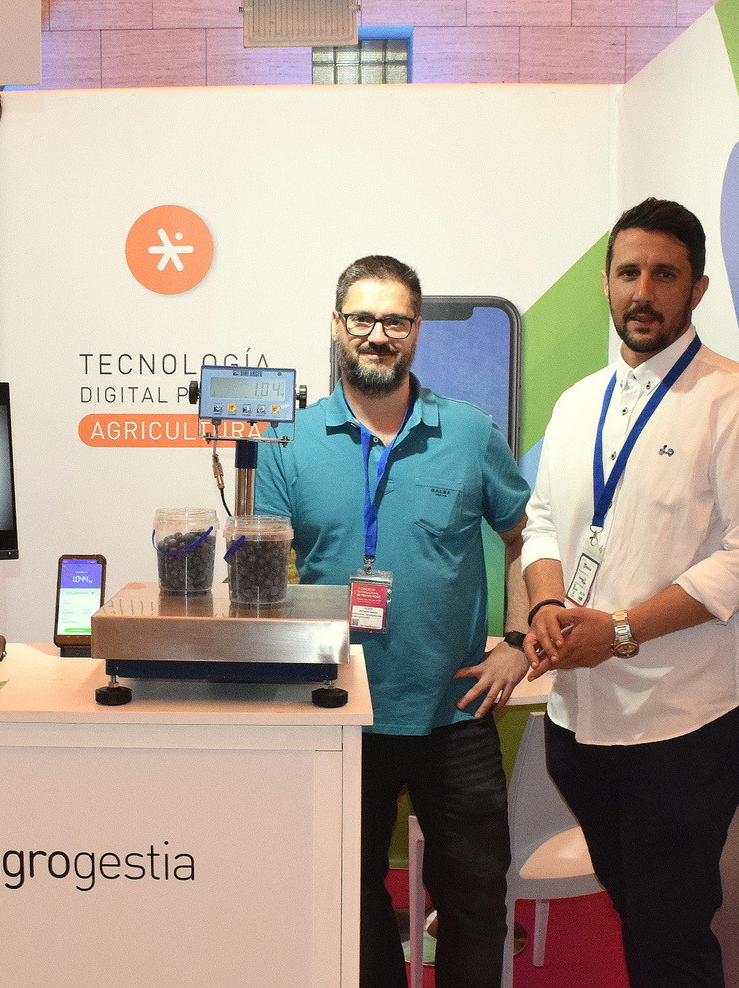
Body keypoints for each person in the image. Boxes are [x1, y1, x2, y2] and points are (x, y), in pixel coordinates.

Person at [521, 198, 739, 987]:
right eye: (630, 272)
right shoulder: (578, 403)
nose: (644, 292)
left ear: (697, 288)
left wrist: (621, 631)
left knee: (670, 933)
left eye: (665, 275)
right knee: (642, 918)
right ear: (606, 283)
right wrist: (546, 607)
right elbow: (544, 523)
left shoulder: (735, 403)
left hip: (688, 723)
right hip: (580, 719)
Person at [256, 255, 532, 988]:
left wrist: (517, 642)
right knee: (351, 898)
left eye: (395, 321)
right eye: (362, 319)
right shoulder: (288, 440)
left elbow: (525, 535)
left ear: (416, 331)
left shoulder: (470, 432)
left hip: (456, 710)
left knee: (476, 903)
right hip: (339, 711)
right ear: (336, 325)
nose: (378, 335)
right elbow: (262, 572)